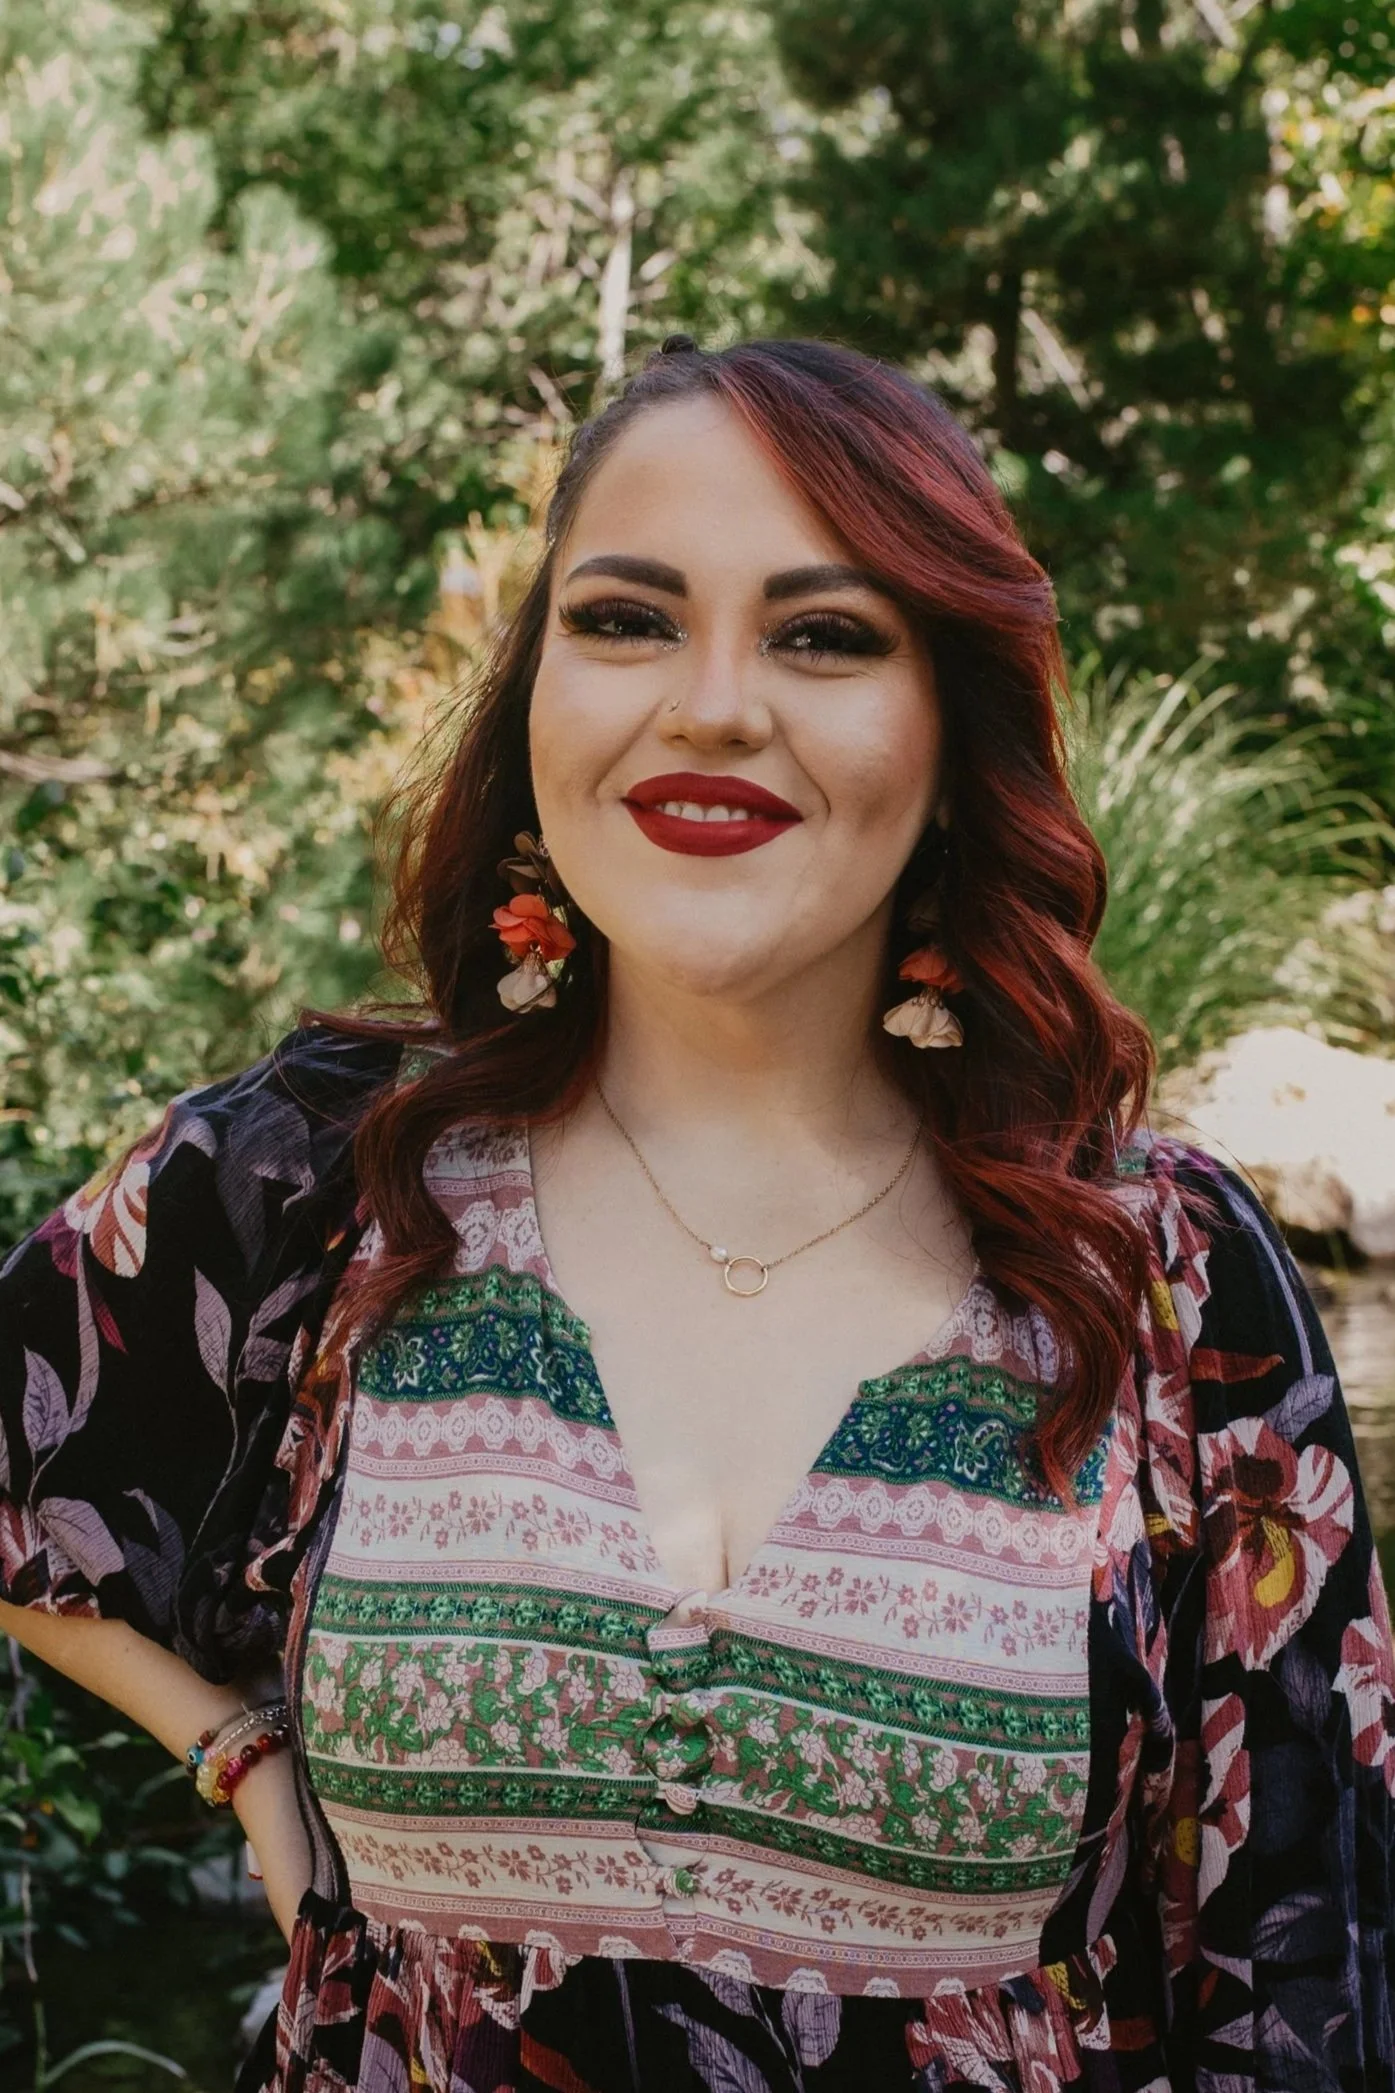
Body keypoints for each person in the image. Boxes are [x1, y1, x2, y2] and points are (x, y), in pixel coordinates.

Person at [1, 335, 1391, 2093]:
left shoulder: (1166, 1274)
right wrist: (237, 1749)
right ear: (535, 694)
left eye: (823, 634)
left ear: (952, 728)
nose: (713, 703)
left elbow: (1300, 1974)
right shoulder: (328, 1178)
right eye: (626, 619)